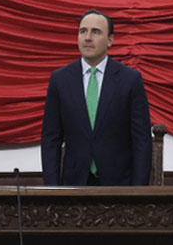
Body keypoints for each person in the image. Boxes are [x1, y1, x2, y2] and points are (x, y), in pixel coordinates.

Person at [41, 9, 152, 185]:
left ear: (110, 40)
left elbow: (142, 140)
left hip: (119, 186)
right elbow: (50, 139)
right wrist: (51, 189)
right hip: (73, 185)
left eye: (96, 32)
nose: (87, 37)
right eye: (83, 31)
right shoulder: (60, 80)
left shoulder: (130, 79)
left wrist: (138, 191)